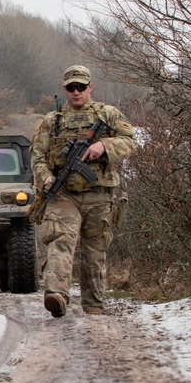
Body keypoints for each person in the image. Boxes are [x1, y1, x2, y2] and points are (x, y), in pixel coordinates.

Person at [30, 65, 137, 318]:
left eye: (80, 87)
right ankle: (56, 295)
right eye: (71, 88)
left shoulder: (108, 115)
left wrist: (104, 145)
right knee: (60, 242)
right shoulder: (51, 122)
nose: (76, 92)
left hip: (99, 194)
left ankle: (93, 305)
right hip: (63, 194)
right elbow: (38, 157)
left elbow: (130, 141)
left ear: (90, 87)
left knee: (95, 251)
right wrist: (45, 178)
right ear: (64, 89)